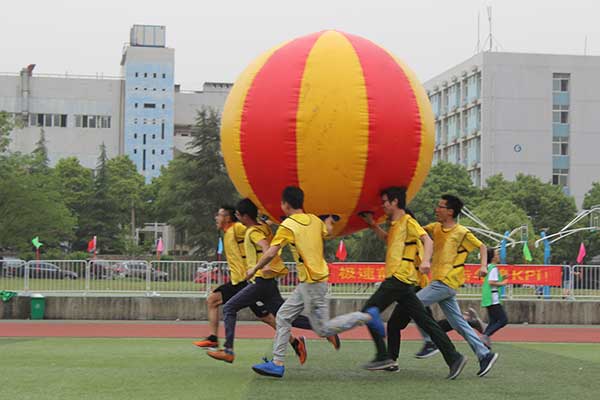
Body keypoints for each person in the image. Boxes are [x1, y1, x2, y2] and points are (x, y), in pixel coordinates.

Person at [248, 186, 387, 378]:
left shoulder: (288, 226)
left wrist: (254, 269)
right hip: (309, 282)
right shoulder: (314, 220)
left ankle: (367, 317)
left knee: (322, 329)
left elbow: (271, 251)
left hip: (313, 282)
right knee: (282, 317)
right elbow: (327, 231)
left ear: (285, 204)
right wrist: (330, 219)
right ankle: (277, 363)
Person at [206, 198, 340, 364]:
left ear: (243, 216)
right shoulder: (263, 227)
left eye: (238, 215)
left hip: (260, 281)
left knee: (230, 308)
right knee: (282, 316)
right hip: (268, 283)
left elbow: (264, 246)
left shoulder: (252, 231)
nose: (237, 218)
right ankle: (325, 329)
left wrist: (261, 266)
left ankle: (228, 350)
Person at [357, 188, 467, 378]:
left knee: (369, 311)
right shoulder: (396, 225)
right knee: (425, 322)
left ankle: (384, 356)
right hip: (405, 283)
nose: (383, 205)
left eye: (385, 202)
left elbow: (428, 241)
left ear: (395, 202)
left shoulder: (408, 221)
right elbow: (388, 240)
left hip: (399, 278)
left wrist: (425, 261)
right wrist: (372, 224)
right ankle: (454, 357)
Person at [414, 194, 499, 377]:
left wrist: (483, 266)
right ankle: (485, 355)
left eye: (440, 207)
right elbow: (418, 231)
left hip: (446, 282)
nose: (436, 209)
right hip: (440, 282)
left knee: (412, 304)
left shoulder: (461, 232)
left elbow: (482, 246)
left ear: (450, 212)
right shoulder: (435, 228)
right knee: (459, 324)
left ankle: (430, 342)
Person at [193, 205, 271, 350]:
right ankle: (213, 338)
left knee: (265, 317)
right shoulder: (227, 233)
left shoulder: (237, 228)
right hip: (237, 283)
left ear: (228, 218)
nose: (216, 218)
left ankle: (294, 341)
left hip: (246, 281)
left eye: (219, 215)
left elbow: (254, 230)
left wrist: (265, 222)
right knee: (212, 300)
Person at [480, 247, 509, 348]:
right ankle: (485, 336)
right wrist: (504, 282)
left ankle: (484, 339)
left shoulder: (488, 267)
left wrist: (502, 278)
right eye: (497, 254)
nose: (498, 256)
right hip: (493, 297)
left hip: (488, 297)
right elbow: (491, 282)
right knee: (503, 320)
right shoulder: (493, 268)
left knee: (492, 321)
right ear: (492, 257)